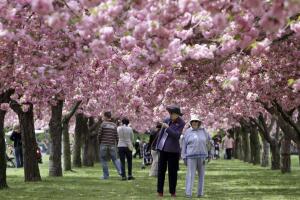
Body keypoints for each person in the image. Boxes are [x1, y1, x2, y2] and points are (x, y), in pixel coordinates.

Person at [156, 105, 185, 197]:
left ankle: (173, 192)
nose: (170, 114)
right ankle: (160, 191)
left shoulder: (181, 123)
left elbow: (176, 135)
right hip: (163, 149)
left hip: (173, 151)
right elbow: (161, 134)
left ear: (177, 114)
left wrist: (167, 128)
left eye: (172, 113)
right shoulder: (166, 120)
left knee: (172, 172)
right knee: (161, 171)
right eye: (170, 113)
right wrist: (158, 145)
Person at [181, 115, 212, 198]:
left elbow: (209, 143)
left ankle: (200, 193)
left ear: (199, 122)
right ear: (191, 123)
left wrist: (210, 154)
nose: (194, 123)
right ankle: (188, 193)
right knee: (190, 175)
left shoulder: (204, 131)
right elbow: (184, 145)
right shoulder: (187, 132)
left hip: (202, 156)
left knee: (201, 175)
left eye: (196, 121)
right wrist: (184, 157)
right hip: (191, 157)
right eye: (193, 121)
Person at [98, 111, 122, 179]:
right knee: (115, 159)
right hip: (112, 144)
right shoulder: (114, 125)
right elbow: (116, 136)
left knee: (103, 159)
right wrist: (117, 144)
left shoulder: (103, 124)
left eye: (103, 116)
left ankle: (106, 175)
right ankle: (121, 172)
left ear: (105, 116)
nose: (102, 117)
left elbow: (99, 135)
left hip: (103, 144)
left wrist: (100, 142)